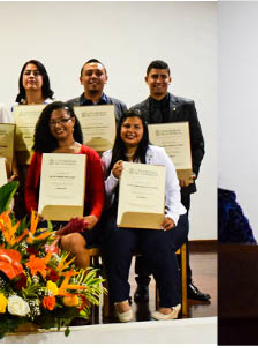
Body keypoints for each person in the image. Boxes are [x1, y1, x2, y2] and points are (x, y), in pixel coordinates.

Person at [129, 60, 209, 303]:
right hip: (146, 184)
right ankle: (142, 284)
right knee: (144, 228)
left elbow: (198, 144)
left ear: (169, 79)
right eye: (154, 77)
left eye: (163, 77)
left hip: (180, 185)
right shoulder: (137, 111)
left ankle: (184, 282)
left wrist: (190, 173)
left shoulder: (186, 107)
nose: (158, 81)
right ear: (146, 80)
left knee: (177, 232)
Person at [102, 109, 188, 322]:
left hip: (162, 213)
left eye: (136, 127)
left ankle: (171, 301)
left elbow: (173, 189)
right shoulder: (108, 156)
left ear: (144, 130)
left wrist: (172, 217)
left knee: (157, 239)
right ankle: (120, 300)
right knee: (116, 237)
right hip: (126, 215)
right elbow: (103, 196)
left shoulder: (157, 154)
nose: (130, 131)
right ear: (119, 129)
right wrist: (113, 177)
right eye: (126, 126)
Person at [23, 102, 106, 269]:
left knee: (72, 242)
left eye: (63, 120)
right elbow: (29, 189)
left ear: (73, 121)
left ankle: (82, 294)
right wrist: (34, 211)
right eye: (53, 122)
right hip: (46, 218)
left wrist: (94, 216)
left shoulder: (89, 155)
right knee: (36, 241)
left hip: (80, 219)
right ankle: (47, 294)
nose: (58, 126)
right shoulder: (40, 155)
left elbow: (98, 193)